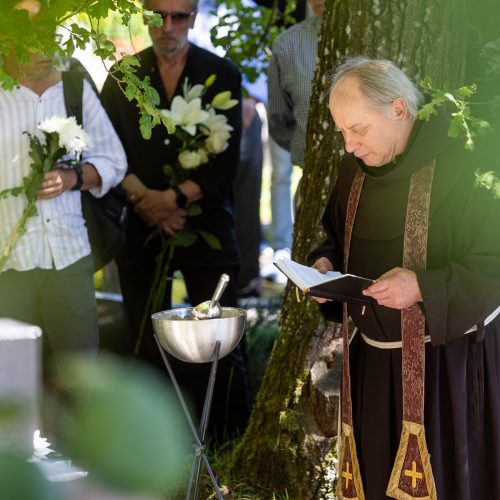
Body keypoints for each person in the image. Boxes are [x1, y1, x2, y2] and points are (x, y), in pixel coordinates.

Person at [308, 57, 500, 499]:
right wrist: (324, 267)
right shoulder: (352, 173)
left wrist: (423, 287)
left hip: (446, 369)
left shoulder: (468, 163)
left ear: (398, 110)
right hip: (373, 369)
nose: (349, 144)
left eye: (358, 129)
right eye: (341, 131)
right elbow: (338, 239)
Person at [100, 0, 250, 441]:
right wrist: (146, 200)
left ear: (195, 17)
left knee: (220, 337)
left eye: (179, 16)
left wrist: (174, 197)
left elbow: (226, 163)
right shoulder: (121, 76)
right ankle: (152, 442)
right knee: (143, 334)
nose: (167, 26)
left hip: (205, 218)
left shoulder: (220, 73)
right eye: (157, 16)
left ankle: (228, 439)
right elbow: (104, 148)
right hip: (140, 221)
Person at [0, 11, 127, 379]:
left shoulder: (73, 88)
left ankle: (79, 439)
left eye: (48, 31)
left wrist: (72, 177)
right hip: (8, 262)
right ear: (7, 37)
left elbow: (113, 160)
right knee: (12, 379)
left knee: (80, 377)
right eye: (33, 34)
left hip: (69, 255)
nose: (46, 43)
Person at [266, 0, 323, 267]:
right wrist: (307, 153)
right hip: (313, 186)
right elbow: (280, 121)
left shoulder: (383, 35)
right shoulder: (287, 45)